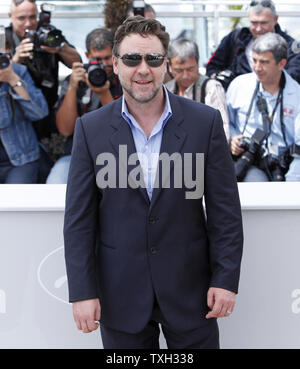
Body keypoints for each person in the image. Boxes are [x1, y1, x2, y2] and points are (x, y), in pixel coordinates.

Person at [64, 16, 243, 349]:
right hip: (120, 293)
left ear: (167, 66)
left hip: (191, 292)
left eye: (153, 59)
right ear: (115, 64)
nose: (143, 69)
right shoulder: (91, 129)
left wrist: (225, 279)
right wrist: (83, 290)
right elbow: (79, 222)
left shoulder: (205, 122)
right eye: (132, 59)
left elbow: (225, 212)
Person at [6, 0, 81, 180]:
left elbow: (77, 61)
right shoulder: (3, 38)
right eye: (21, 18)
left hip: (47, 113)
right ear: (10, 17)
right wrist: (15, 61)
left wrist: (59, 47)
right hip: (17, 118)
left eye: (32, 17)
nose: (28, 23)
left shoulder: (47, 32)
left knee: (50, 167)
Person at [46, 28, 122, 183]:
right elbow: (65, 130)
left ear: (115, 55)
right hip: (76, 155)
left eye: (108, 58)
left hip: (116, 155)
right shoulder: (75, 80)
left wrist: (104, 94)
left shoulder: (123, 80)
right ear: (87, 56)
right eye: (97, 59)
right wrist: (72, 87)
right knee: (55, 187)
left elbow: (123, 129)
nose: (104, 65)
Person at [227, 32, 300, 182]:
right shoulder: (238, 86)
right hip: (251, 162)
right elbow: (227, 123)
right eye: (254, 60)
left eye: (264, 62)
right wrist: (232, 139)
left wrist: (291, 182)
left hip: (287, 164)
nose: (257, 67)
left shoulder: (297, 94)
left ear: (282, 64)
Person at [206, 0, 300, 89]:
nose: (258, 29)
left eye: (264, 23)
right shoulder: (236, 39)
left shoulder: (291, 46)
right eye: (254, 23)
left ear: (275, 19)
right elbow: (213, 66)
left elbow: (295, 74)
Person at [0, 40, 48, 183]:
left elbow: (40, 112)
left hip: (21, 157)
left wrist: (13, 79)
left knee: (16, 203)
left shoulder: (18, 71)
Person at [166, 38, 230, 141]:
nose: (185, 76)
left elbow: (222, 133)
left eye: (190, 69)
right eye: (179, 70)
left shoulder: (211, 88)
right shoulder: (166, 90)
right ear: (169, 66)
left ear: (198, 63)